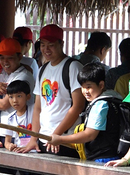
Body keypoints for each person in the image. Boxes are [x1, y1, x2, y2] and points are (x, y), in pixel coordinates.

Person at [18, 24, 85, 157]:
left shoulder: (73, 67)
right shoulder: (43, 69)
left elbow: (78, 107)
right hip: (43, 139)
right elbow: (38, 107)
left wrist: (56, 135)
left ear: (61, 44)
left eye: (51, 45)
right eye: (43, 45)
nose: (46, 49)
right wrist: (33, 138)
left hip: (66, 140)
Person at [48, 63, 121, 161]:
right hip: (113, 156)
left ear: (101, 85)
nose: (85, 91)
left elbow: (89, 134)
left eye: (88, 87)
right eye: (82, 87)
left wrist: (60, 139)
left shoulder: (101, 105)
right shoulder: (114, 98)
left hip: (103, 158)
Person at [0, 80, 35, 152]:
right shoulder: (10, 118)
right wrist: (9, 145)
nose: (15, 100)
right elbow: (7, 142)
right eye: (11, 97)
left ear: (28, 97)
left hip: (35, 151)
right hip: (19, 151)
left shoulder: (34, 111)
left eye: (19, 96)